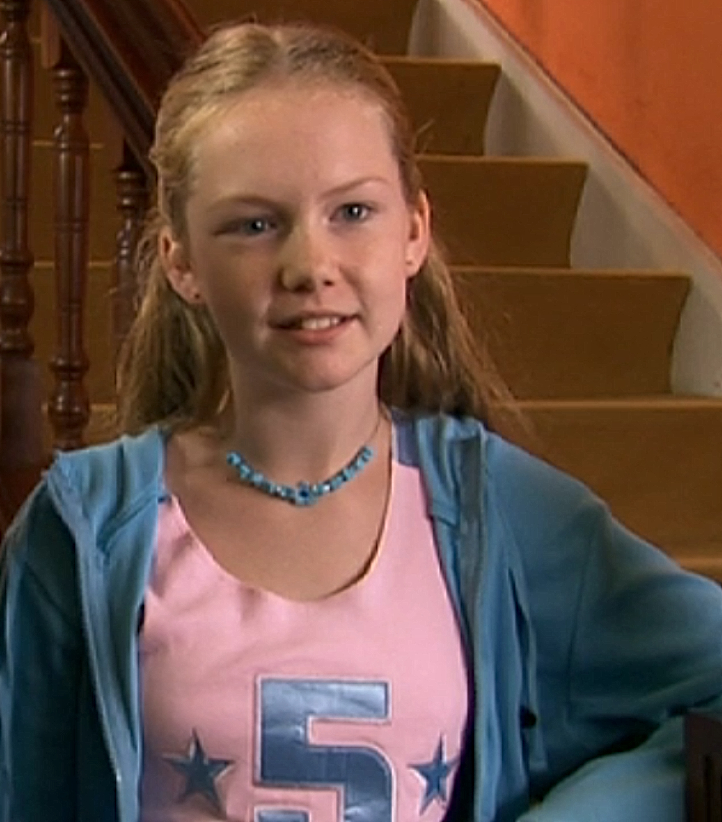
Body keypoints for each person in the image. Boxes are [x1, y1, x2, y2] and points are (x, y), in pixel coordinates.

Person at [1, 20, 721, 822]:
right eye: (254, 224)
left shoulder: (504, 512)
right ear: (181, 261)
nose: (311, 266)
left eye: (352, 211)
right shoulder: (89, 528)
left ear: (413, 231)